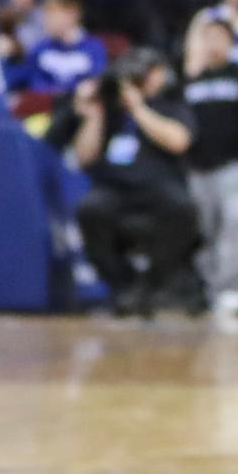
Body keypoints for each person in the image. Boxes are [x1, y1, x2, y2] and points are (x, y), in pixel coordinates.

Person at [53, 51, 199, 318]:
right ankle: (123, 284)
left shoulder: (171, 104)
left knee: (183, 209)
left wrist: (139, 108)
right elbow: (84, 157)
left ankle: (154, 284)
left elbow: (179, 141)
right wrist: (93, 115)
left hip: (158, 185)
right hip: (115, 186)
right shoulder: (109, 110)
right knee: (90, 210)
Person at [183, 15, 238, 316]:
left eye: (220, 37)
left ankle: (230, 289)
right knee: (204, 229)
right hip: (198, 168)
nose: (214, 44)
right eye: (209, 37)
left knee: (236, 226)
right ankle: (207, 288)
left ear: (232, 43)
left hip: (234, 166)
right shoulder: (191, 82)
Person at [12, 0, 107, 96]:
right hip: (46, 104)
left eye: (53, 16)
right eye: (47, 17)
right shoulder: (40, 48)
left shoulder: (94, 48)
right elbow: (33, 81)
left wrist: (70, 92)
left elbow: (95, 80)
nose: (47, 22)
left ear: (72, 16)